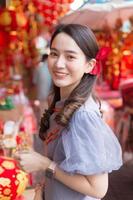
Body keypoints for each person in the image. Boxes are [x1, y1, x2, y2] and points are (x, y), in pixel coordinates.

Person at [17, 24, 122, 200]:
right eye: (54, 54)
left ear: (89, 65)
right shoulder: (61, 102)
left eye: (70, 57)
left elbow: (98, 189)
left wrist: (44, 164)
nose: (58, 64)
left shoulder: (82, 115)